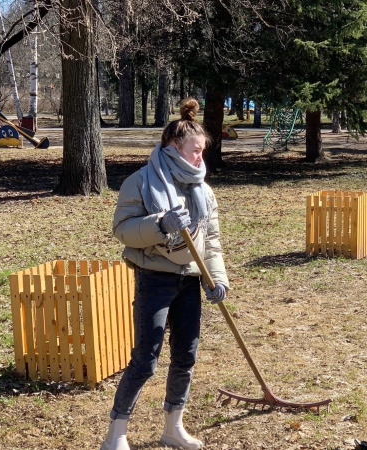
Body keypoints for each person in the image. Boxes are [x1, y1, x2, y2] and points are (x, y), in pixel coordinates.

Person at [101, 98, 229, 450]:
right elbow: (123, 230)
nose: (200, 158)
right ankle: (116, 434)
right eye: (195, 151)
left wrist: (216, 278)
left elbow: (211, 241)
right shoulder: (141, 182)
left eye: (202, 151)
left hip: (190, 280)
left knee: (185, 356)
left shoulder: (203, 190)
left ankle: (173, 428)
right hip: (154, 278)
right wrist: (160, 224)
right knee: (146, 359)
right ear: (174, 147)